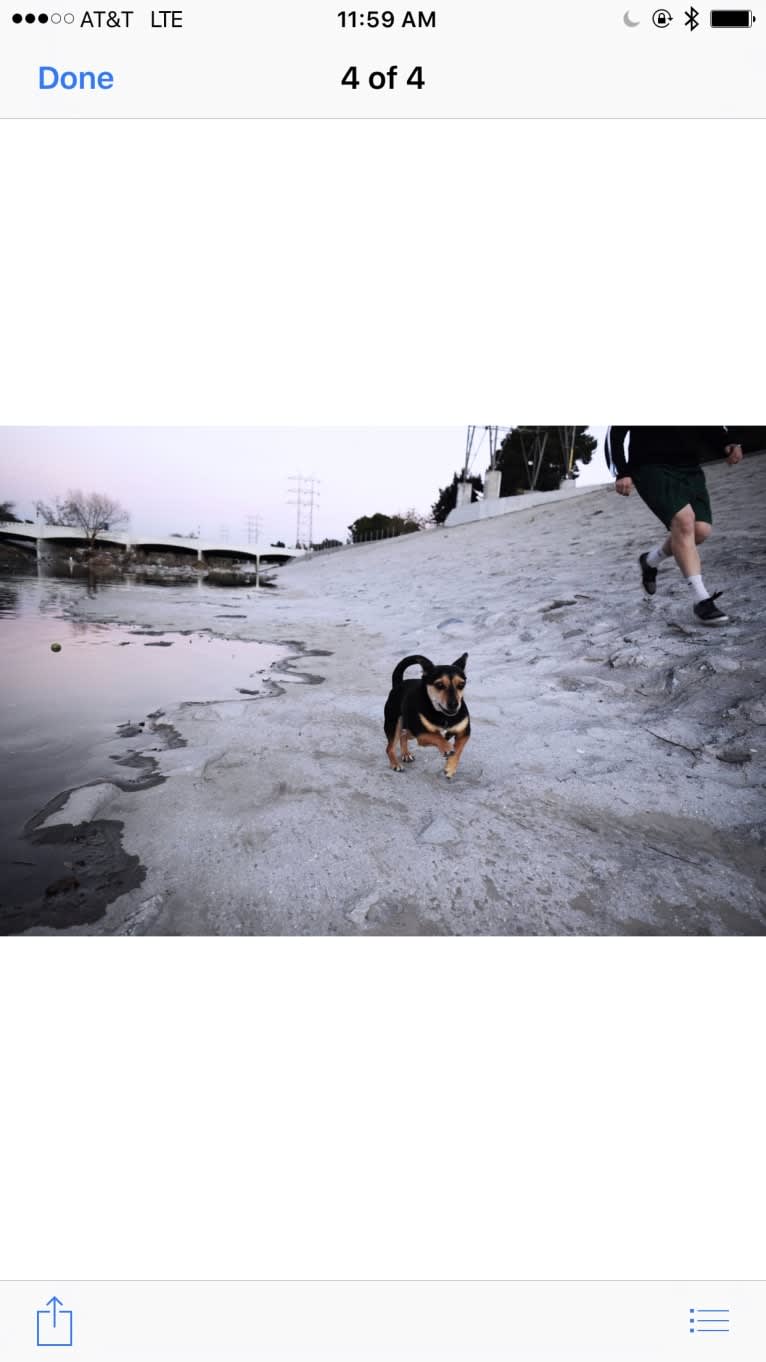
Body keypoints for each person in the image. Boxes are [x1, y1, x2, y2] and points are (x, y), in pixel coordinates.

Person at [605, 426, 744, 626]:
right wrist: (621, 470)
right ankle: (701, 600)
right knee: (684, 522)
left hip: (689, 466)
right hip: (650, 465)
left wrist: (727, 441)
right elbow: (615, 432)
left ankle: (650, 561)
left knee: (701, 531)